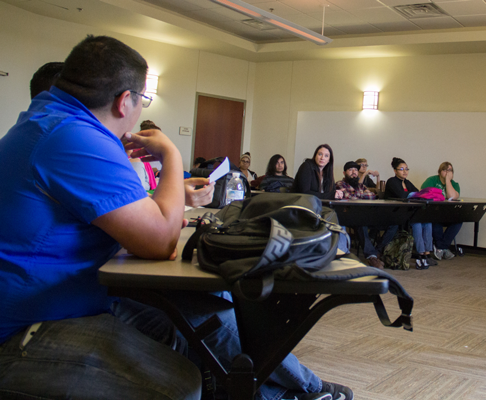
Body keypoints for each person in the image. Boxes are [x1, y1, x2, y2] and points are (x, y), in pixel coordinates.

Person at [0, 35, 351, 400]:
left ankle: (293, 393)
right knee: (182, 386)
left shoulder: (49, 120)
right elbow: (161, 241)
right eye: (142, 99)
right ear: (125, 102)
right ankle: (305, 392)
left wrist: (166, 201)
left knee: (198, 325)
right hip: (30, 325)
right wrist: (171, 154)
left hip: (74, 297)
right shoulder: (73, 137)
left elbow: (137, 216)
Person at [336, 161, 396, 269]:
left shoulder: (361, 186)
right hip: (349, 217)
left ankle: (377, 252)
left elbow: (372, 196)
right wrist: (360, 195)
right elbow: (348, 197)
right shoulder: (340, 184)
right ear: (344, 173)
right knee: (361, 222)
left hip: (367, 216)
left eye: (355, 170)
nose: (354, 172)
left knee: (393, 223)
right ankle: (372, 257)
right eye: (351, 170)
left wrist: (356, 194)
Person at [384, 157, 436, 269]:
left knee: (427, 222)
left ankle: (427, 253)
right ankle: (420, 254)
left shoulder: (407, 182)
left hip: (408, 212)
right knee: (417, 223)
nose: (405, 171)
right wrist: (415, 195)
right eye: (401, 169)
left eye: (406, 169)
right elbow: (403, 196)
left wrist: (418, 195)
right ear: (395, 170)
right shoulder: (392, 181)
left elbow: (418, 193)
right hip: (395, 213)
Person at [421, 162, 462, 260]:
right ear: (439, 172)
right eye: (445, 170)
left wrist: (448, 180)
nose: (447, 172)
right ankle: (443, 248)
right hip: (433, 212)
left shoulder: (455, 184)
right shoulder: (431, 180)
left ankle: (440, 247)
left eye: (450, 170)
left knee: (459, 220)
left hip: (448, 214)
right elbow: (423, 193)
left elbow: (452, 197)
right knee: (435, 219)